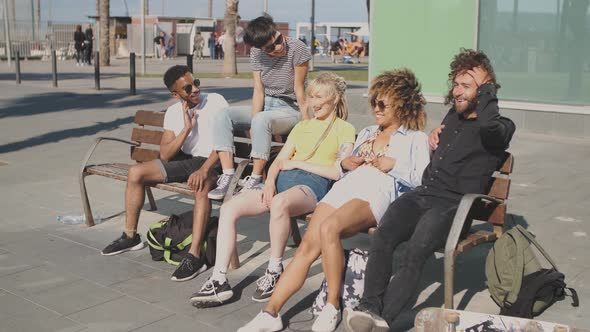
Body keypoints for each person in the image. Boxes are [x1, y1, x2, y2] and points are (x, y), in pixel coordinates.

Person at [238, 68, 431, 332]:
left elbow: (422, 180)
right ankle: (270, 313)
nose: (376, 107)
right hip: (348, 185)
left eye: (383, 102)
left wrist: (391, 164)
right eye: (374, 101)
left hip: (377, 190)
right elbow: (341, 167)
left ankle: (332, 307)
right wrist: (347, 162)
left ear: (402, 103)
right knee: (307, 246)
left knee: (330, 228)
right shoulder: (367, 132)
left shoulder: (415, 139)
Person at [345, 49, 516, 332]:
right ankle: (369, 307)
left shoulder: (501, 127)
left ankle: (381, 319)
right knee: (385, 235)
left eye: (468, 86)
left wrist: (486, 90)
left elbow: (487, 125)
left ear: (486, 90)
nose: (458, 91)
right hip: (424, 195)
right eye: (457, 84)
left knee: (415, 251)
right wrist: (435, 136)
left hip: (454, 206)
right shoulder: (453, 118)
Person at [190, 72, 356, 308]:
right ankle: (219, 280)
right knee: (229, 208)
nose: (312, 102)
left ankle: (274, 268)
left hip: (312, 186)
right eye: (310, 97)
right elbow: (279, 161)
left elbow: (338, 172)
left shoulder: (345, 129)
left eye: (319, 97)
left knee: (279, 204)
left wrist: (297, 164)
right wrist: (268, 183)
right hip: (281, 183)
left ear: (334, 99)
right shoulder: (302, 126)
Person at [101, 65, 230, 283]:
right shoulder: (173, 112)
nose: (195, 90)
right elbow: (166, 154)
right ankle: (130, 237)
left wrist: (204, 169)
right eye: (188, 88)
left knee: (200, 186)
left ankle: (194, 256)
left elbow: (224, 144)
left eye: (196, 82)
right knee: (135, 173)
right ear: (175, 94)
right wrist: (186, 129)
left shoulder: (217, 101)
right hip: (185, 161)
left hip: (213, 161)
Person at [207, 15, 312, 200]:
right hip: (266, 105)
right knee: (223, 115)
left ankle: (255, 178)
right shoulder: (257, 53)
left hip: (289, 109)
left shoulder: (297, 48)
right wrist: (256, 117)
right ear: (260, 48)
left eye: (279, 40)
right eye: (270, 48)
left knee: (262, 119)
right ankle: (228, 174)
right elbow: (258, 90)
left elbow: (299, 90)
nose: (278, 47)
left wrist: (308, 123)